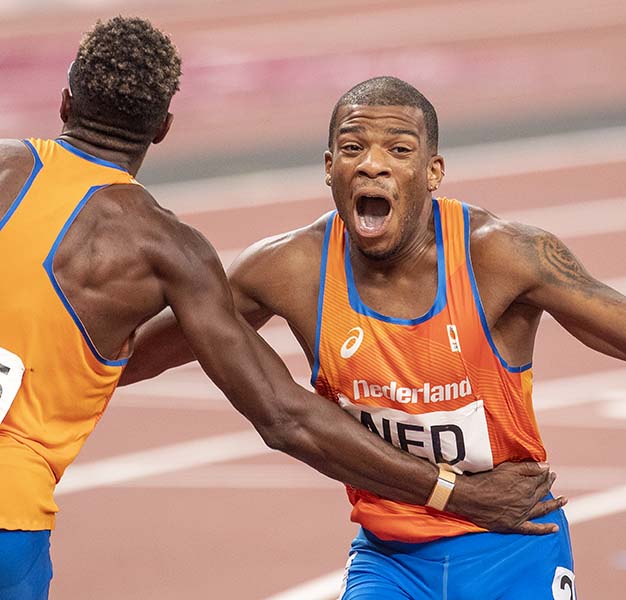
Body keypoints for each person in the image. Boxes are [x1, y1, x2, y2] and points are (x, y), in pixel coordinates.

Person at [124, 75, 626, 599]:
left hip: (517, 545)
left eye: (399, 151)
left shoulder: (503, 257)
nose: (375, 165)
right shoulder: (286, 270)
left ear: (433, 173)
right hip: (390, 557)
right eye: (355, 149)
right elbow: (155, 343)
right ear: (328, 167)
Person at [0, 19, 565, 600]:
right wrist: (458, 493)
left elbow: (129, 356)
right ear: (164, 128)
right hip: (8, 512)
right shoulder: (167, 251)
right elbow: (284, 416)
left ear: (64, 99)